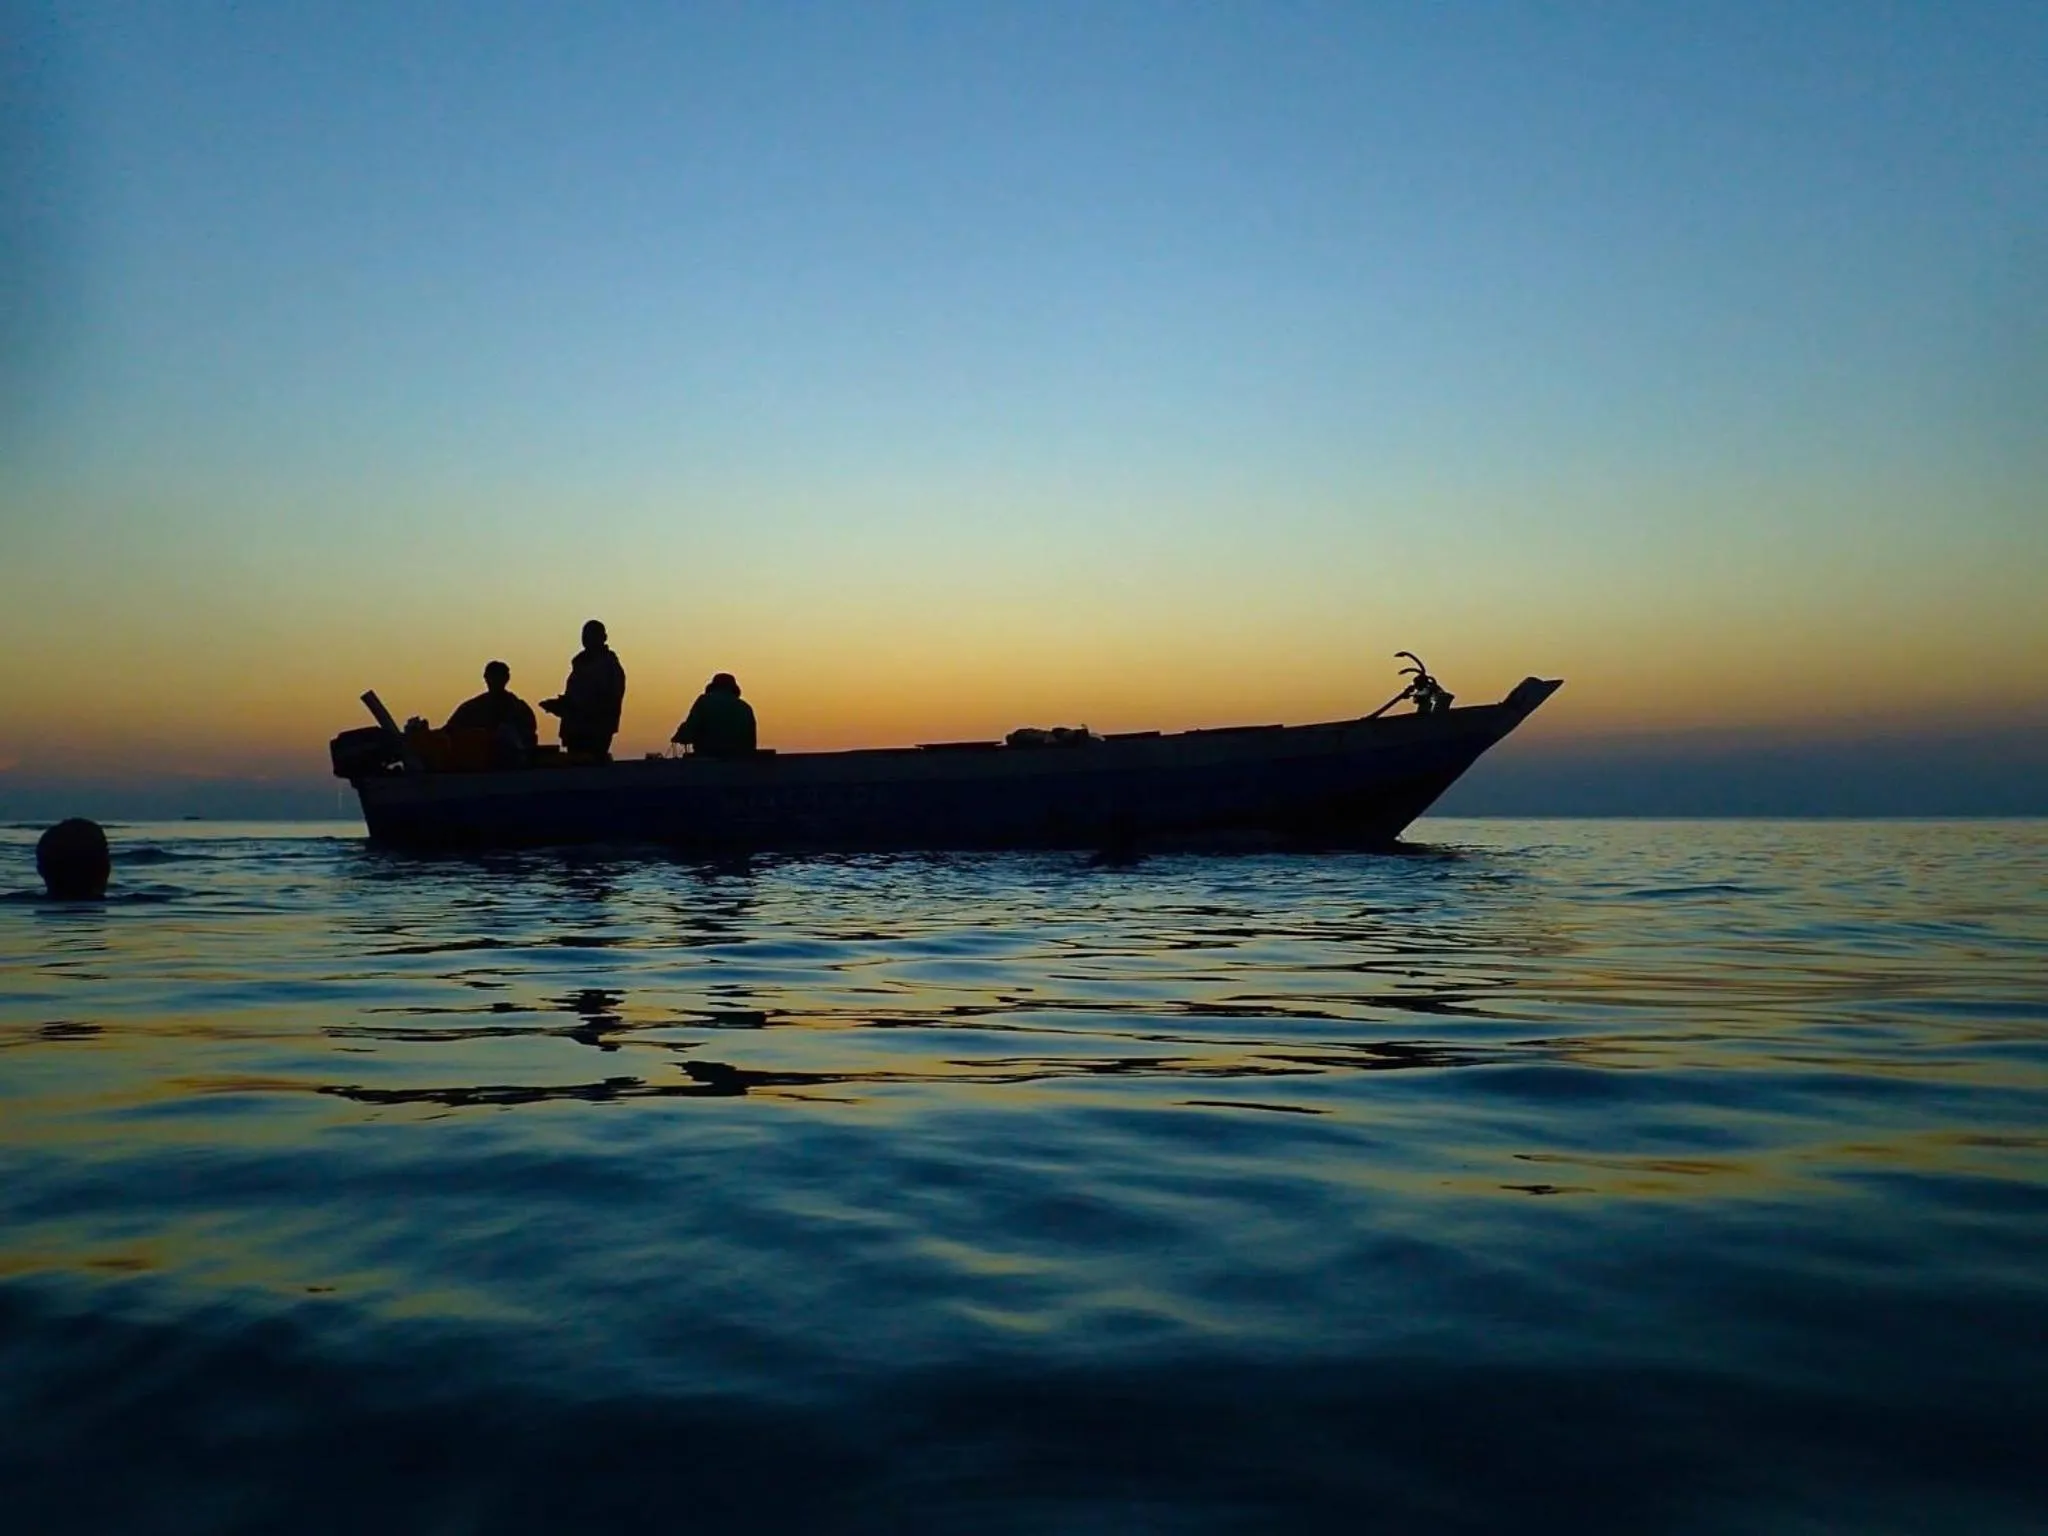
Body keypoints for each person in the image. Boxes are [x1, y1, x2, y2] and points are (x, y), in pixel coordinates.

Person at [541, 619, 627, 760]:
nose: (587, 639)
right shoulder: (580, 666)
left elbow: (608, 702)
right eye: (585, 635)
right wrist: (561, 706)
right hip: (574, 732)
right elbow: (575, 698)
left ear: (603, 637)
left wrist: (575, 708)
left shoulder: (609, 667)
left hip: (595, 734)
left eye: (592, 635)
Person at [444, 661, 539, 758]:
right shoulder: (472, 707)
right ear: (486, 678)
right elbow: (449, 729)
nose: (493, 680)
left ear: (506, 678)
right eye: (491, 676)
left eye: (497, 676)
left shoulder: (518, 708)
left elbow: (528, 736)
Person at [671, 672, 757, 757]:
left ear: (712, 687)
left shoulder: (704, 701)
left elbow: (690, 729)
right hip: (740, 759)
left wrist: (681, 735)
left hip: (707, 758)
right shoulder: (746, 707)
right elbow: (751, 741)